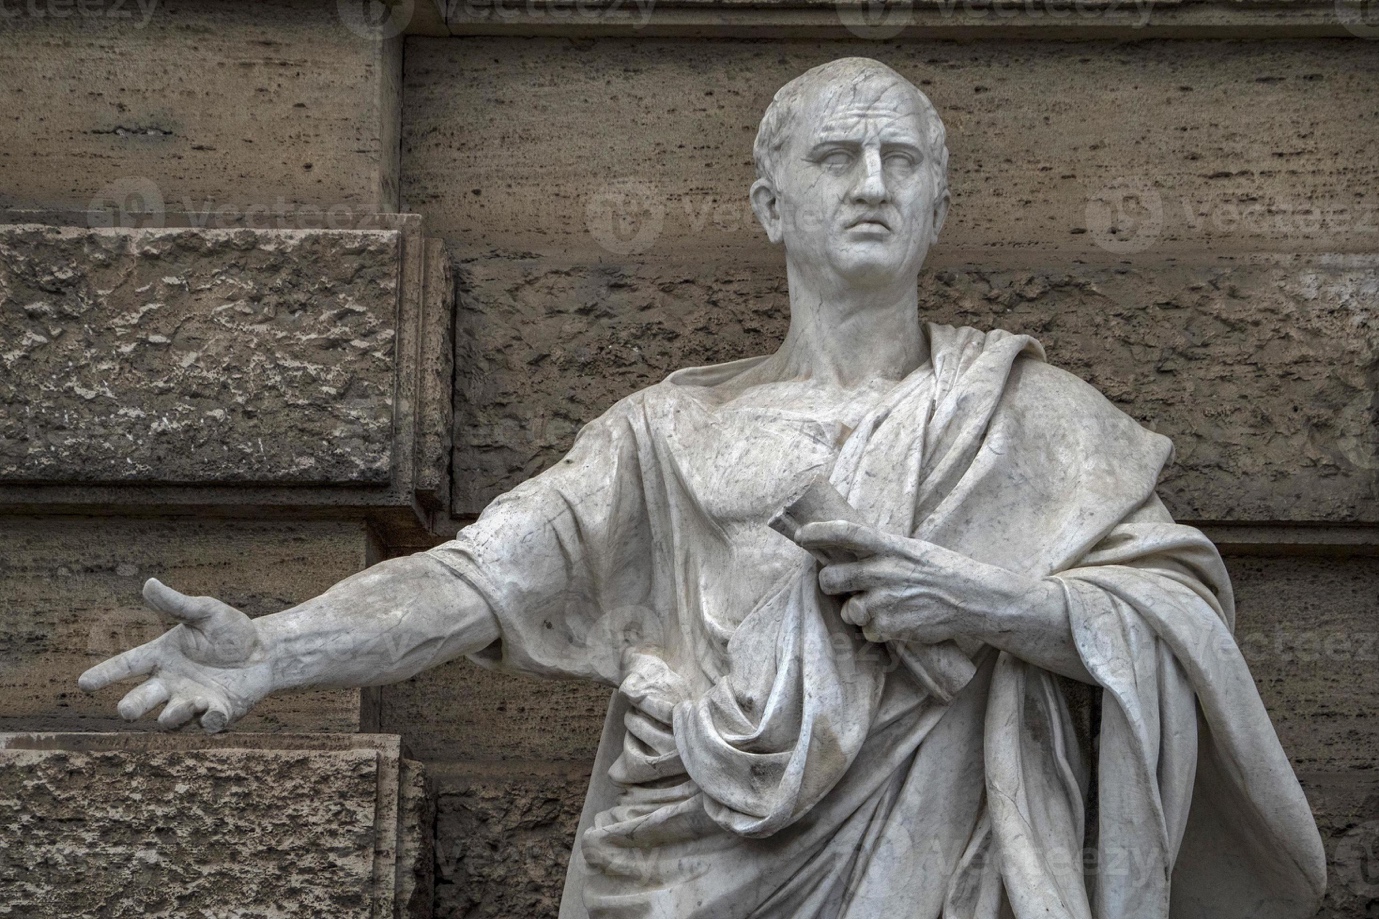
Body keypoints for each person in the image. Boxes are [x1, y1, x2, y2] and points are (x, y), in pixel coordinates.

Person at [80, 57, 1325, 919]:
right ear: (766, 202)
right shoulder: (664, 436)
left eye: (901, 159)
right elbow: (473, 579)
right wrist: (274, 650)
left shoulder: (1042, 426)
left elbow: (1181, 625)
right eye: (837, 156)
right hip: (687, 859)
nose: (873, 181)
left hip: (948, 865)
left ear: (940, 203)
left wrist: (1001, 610)